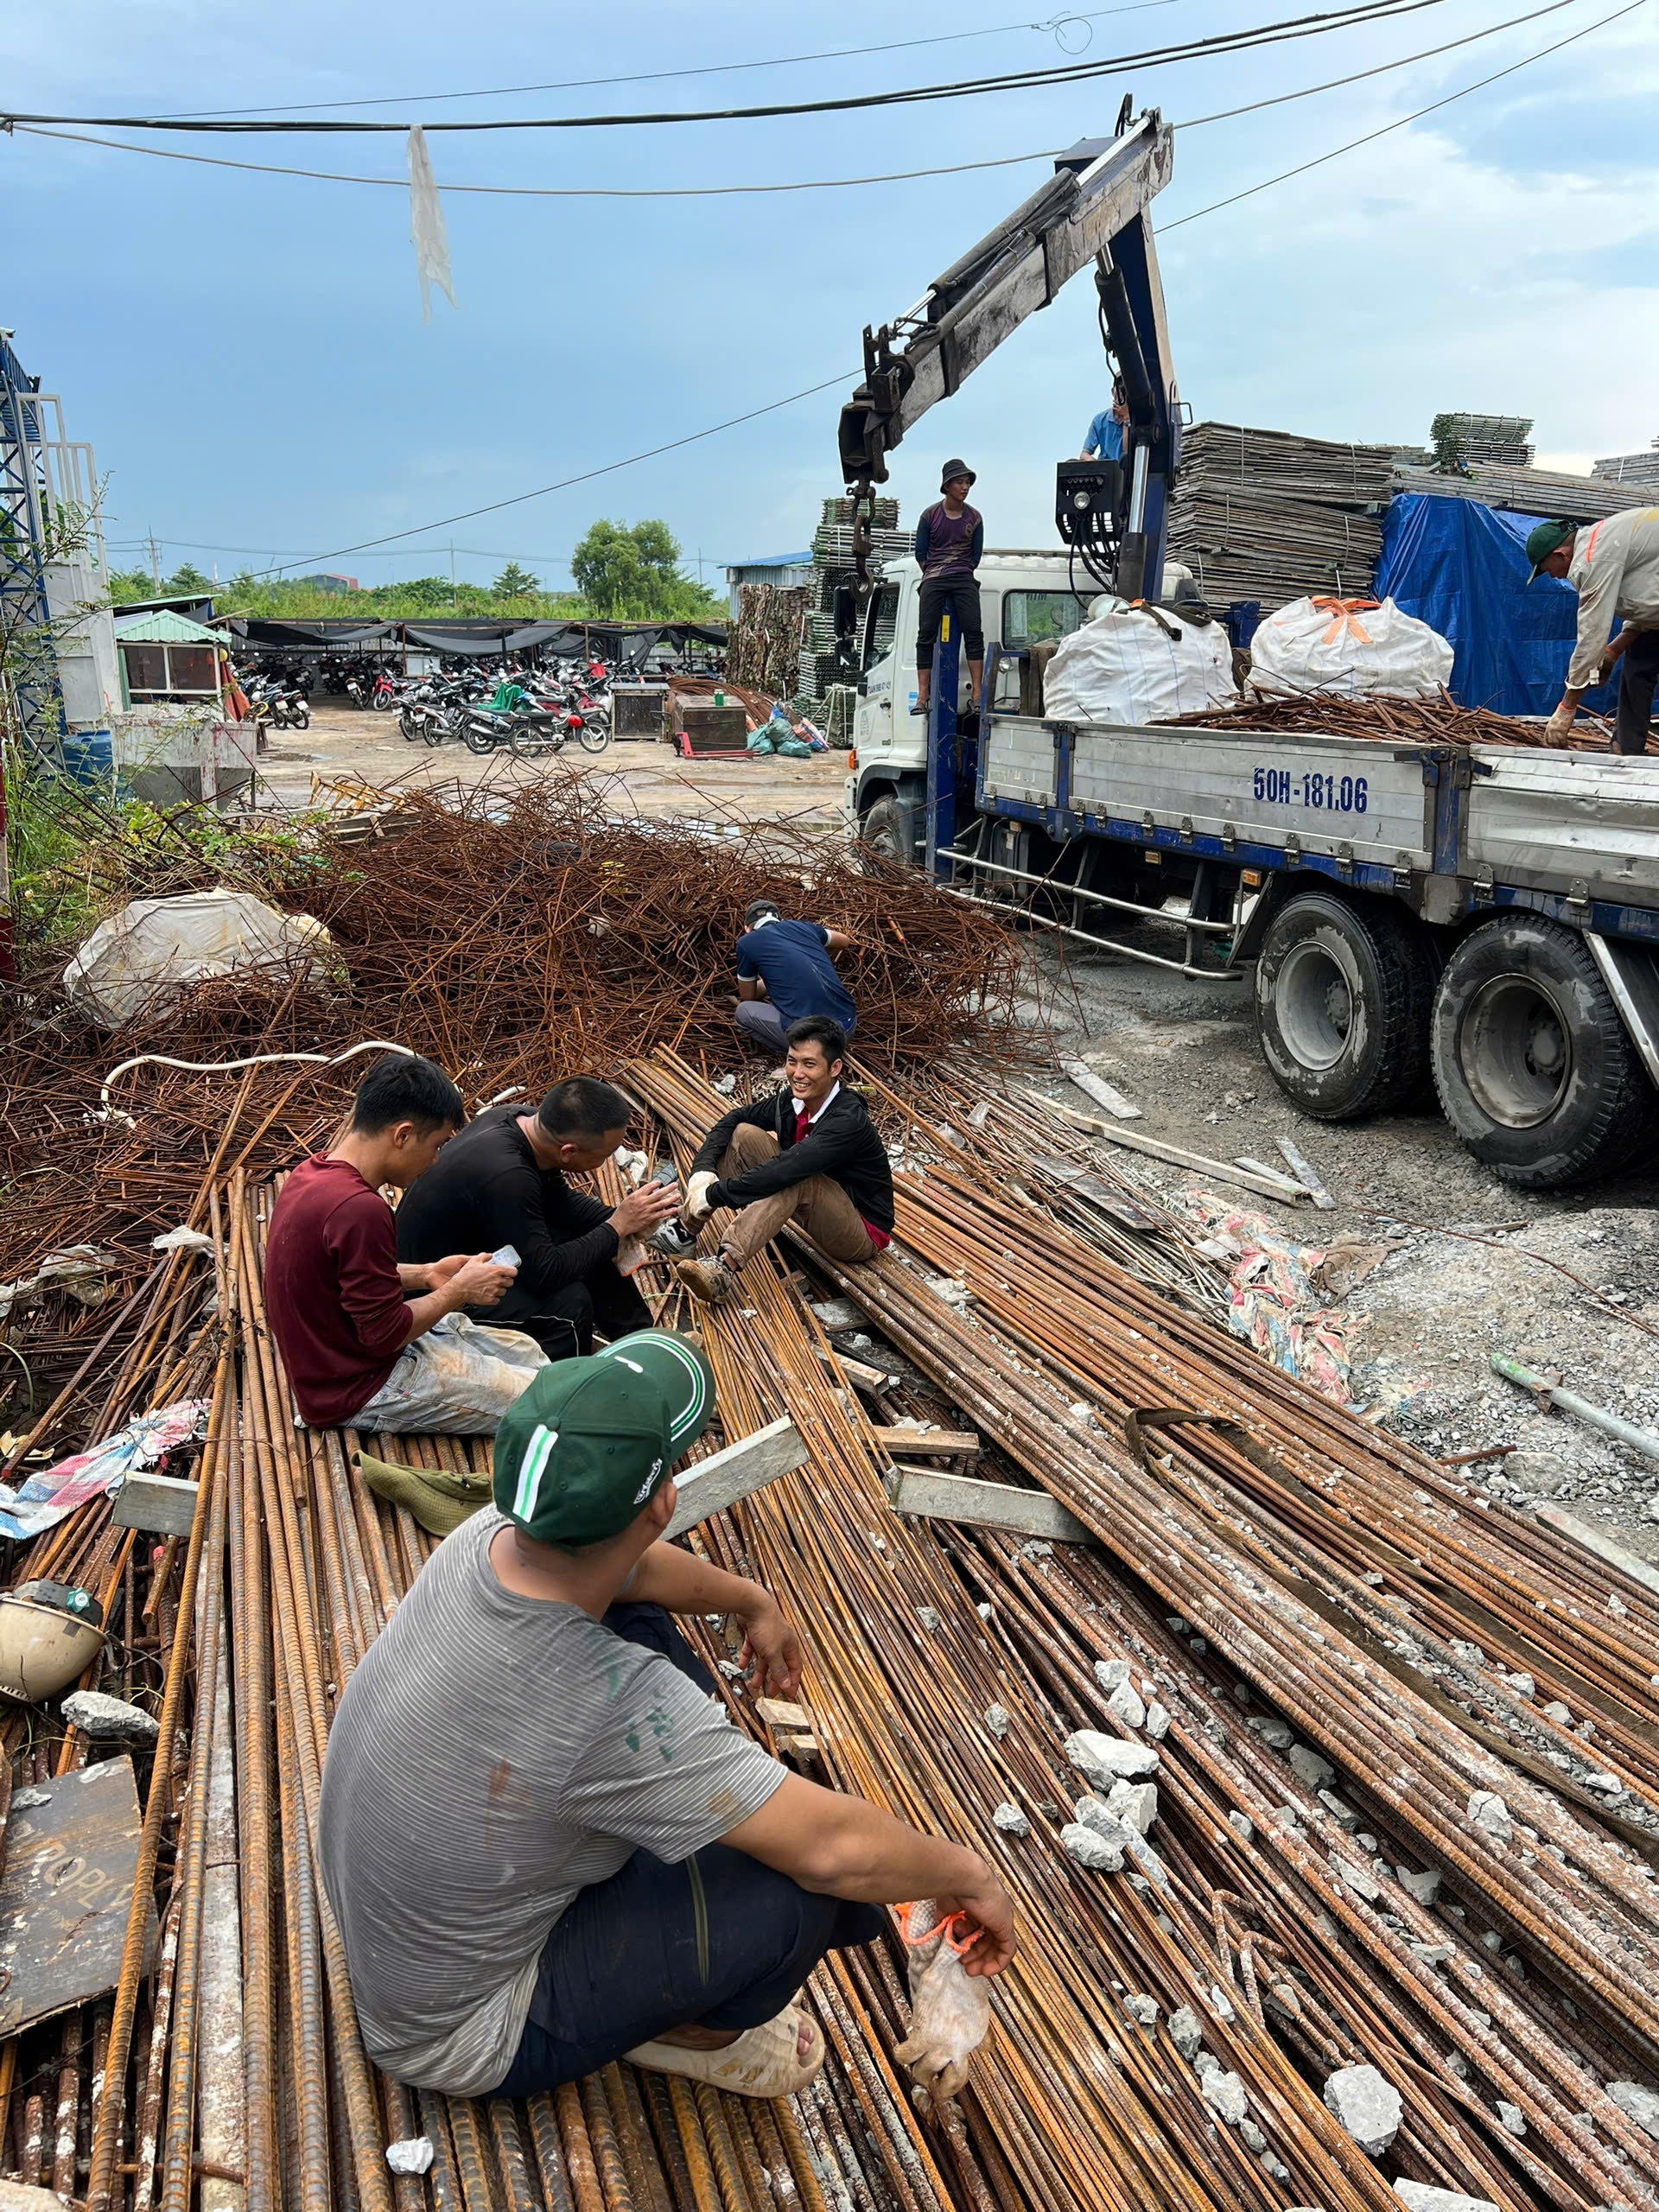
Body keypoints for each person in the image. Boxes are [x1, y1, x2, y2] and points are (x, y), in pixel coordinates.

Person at [317, 1329, 1016, 2101]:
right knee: (805, 1894)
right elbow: (831, 1850)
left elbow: (632, 1571)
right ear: (662, 1502)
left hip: (414, 1938)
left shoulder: (489, 1536)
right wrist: (970, 1875)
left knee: (638, 1615)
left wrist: (755, 1601)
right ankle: (693, 2038)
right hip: (462, 2030)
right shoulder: (610, 1705)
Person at [264, 1053, 544, 1436]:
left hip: (349, 1355)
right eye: (436, 1145)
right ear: (403, 1135)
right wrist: (458, 1291)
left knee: (527, 1352)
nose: (434, 1161)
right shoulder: (360, 1209)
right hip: (356, 1386)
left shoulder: (311, 1173)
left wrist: (427, 1273)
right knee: (547, 1401)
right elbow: (384, 1335)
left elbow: (338, 1275)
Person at [395, 1077, 681, 1363]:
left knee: (597, 1243)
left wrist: (626, 1219)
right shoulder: (509, 1176)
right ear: (568, 1152)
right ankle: (566, 1389)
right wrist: (617, 1225)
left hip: (485, 1241)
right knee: (570, 1306)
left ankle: (644, 1343)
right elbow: (545, 1274)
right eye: (605, 1154)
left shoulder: (524, 1120)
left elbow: (560, 1204)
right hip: (438, 1289)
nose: (607, 1160)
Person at [673, 1017, 893, 1306]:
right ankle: (684, 1232)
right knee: (744, 1134)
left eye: (809, 1064)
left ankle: (723, 1268)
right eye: (792, 1061)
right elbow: (734, 1118)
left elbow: (788, 1170)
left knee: (796, 1178)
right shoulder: (792, 1100)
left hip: (859, 1231)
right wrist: (702, 1172)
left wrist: (715, 1195)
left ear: (835, 1068)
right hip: (816, 1202)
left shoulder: (847, 1120)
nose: (797, 1073)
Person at [1528, 509, 1659, 755]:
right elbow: (1649, 601)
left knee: (1640, 661)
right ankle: (1627, 750)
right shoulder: (1602, 541)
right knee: (1639, 662)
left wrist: (1567, 708)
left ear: (1560, 554)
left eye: (1548, 570)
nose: (1554, 576)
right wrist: (1614, 650)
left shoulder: (1591, 560)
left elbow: (1591, 633)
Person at [733, 896, 858, 1050]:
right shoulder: (805, 927)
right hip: (847, 1027)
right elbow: (845, 940)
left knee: (743, 1012)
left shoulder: (746, 943)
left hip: (812, 1039)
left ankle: (798, 1053)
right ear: (780, 919)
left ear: (747, 928)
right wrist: (814, 958)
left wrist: (767, 982)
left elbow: (748, 996)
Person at [912, 461, 985, 718]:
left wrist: (960, 571)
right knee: (926, 634)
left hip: (963, 576)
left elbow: (975, 556)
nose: (965, 487)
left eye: (967, 483)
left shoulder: (974, 518)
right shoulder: (930, 516)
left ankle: (977, 694)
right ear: (947, 486)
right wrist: (934, 573)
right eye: (959, 482)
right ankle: (923, 694)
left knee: (973, 632)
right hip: (934, 577)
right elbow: (920, 553)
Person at [1079, 378, 1128, 463]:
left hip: (1126, 469)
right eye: (1119, 391)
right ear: (1113, 392)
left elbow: (1126, 450)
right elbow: (1084, 454)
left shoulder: (1135, 420)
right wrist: (1099, 466)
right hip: (1106, 470)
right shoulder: (1099, 420)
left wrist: (1126, 418)